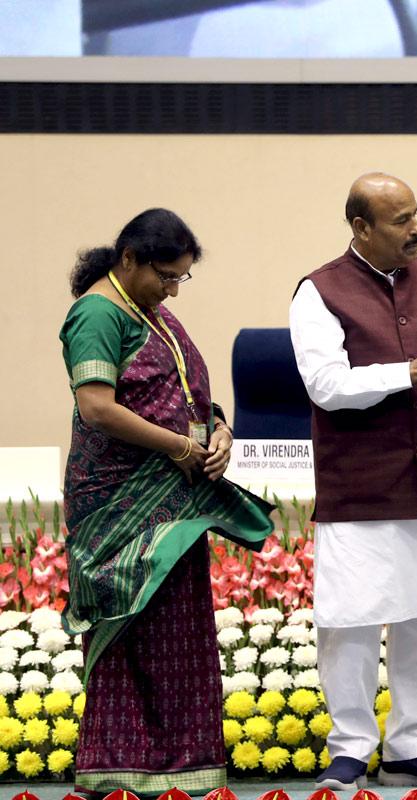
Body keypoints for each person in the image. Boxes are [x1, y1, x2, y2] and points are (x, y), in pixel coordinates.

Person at [59, 208, 274, 797]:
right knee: (131, 630)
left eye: (181, 278)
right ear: (128, 259)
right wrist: (181, 445)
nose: (173, 288)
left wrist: (219, 430)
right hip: (121, 503)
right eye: (166, 276)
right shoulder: (98, 313)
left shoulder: (150, 312)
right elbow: (98, 408)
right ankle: (119, 766)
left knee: (178, 629)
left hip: (175, 498)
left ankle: (185, 766)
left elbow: (184, 392)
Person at [290, 173, 417, 790]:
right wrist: (412, 370)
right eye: (400, 220)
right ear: (361, 228)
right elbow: (327, 386)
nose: (416, 229)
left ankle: (409, 744)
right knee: (349, 617)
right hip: (359, 483)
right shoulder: (318, 291)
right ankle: (350, 745)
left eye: (416, 215)